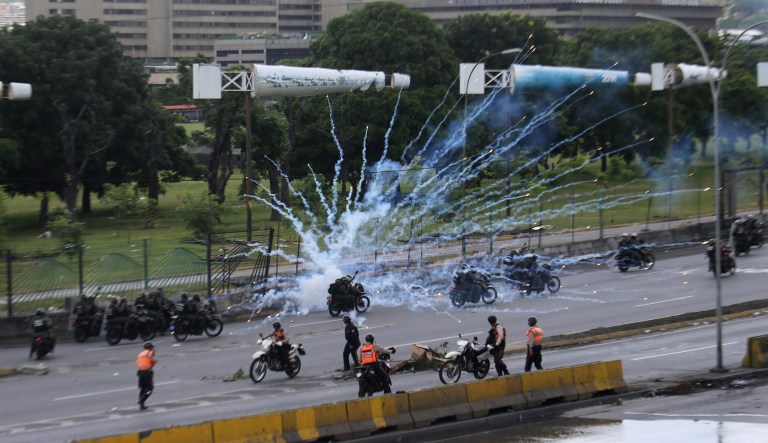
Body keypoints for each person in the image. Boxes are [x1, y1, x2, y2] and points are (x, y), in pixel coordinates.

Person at [136, 341, 157, 410]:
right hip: (147, 373)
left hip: (140, 373)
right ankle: (142, 400)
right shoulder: (150, 353)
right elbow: (154, 361)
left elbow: (139, 363)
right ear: (150, 348)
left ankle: (142, 405)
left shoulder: (139, 354)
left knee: (142, 388)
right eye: (152, 347)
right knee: (150, 389)